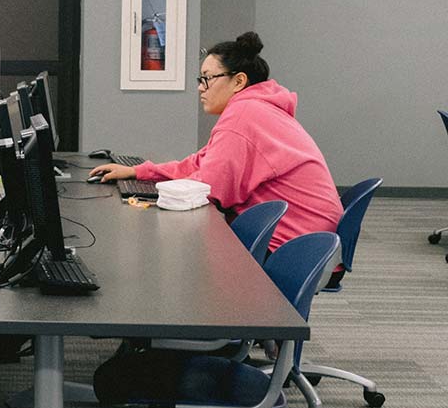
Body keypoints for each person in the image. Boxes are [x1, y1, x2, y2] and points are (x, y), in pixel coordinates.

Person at [89, 32, 342, 252]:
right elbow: (201, 163)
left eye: (207, 78)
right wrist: (138, 171)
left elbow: (210, 188)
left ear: (239, 81)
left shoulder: (245, 115)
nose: (200, 88)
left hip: (293, 249)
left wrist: (152, 195)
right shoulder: (256, 109)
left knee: (176, 251)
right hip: (309, 241)